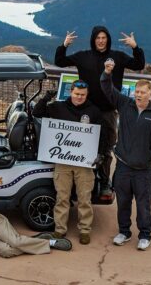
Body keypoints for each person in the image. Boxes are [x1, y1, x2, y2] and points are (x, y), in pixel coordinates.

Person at [55, 26, 145, 195]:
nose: (101, 41)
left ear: (108, 39)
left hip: (108, 111)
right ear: (93, 40)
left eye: (104, 37)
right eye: (98, 38)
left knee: (106, 149)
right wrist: (64, 45)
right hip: (86, 111)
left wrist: (135, 47)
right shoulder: (83, 56)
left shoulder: (117, 57)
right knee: (82, 146)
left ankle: (104, 182)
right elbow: (60, 61)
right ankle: (81, 181)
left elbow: (139, 64)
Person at [101, 60, 151, 251]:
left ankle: (145, 235)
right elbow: (107, 89)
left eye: (142, 92)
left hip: (143, 169)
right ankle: (124, 232)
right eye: (137, 92)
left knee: (143, 204)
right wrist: (106, 73)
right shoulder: (125, 104)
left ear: (150, 93)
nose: (138, 95)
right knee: (122, 202)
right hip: (122, 166)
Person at [32, 81, 106, 245]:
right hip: (63, 161)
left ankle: (85, 230)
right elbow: (37, 113)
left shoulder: (94, 111)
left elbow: (102, 135)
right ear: (70, 92)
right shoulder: (57, 107)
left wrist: (100, 154)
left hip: (85, 163)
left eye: (82, 94)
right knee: (62, 197)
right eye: (77, 93)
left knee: (84, 199)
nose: (79, 97)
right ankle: (60, 230)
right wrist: (45, 98)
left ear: (86, 95)